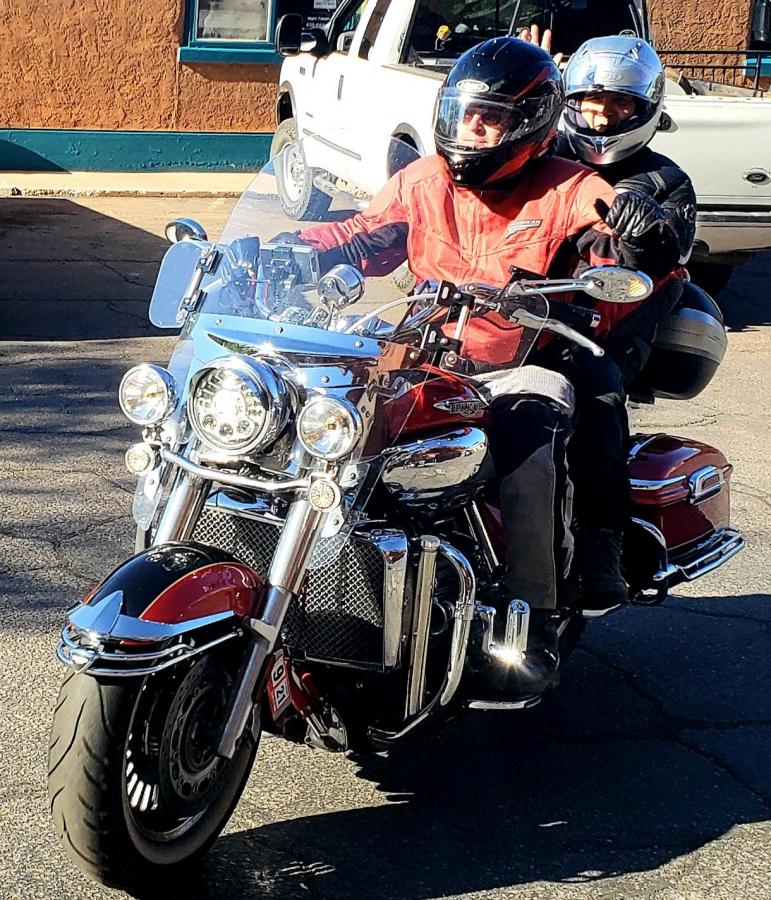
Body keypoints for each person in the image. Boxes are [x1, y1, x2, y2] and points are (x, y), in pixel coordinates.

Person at [278, 38, 680, 697]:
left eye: (489, 119)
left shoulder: (571, 188)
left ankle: (534, 612)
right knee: (323, 409)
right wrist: (284, 248)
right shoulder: (422, 181)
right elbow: (362, 235)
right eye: (464, 116)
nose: (472, 131)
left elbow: (614, 259)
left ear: (529, 123)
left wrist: (637, 243)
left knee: (528, 432)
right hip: (423, 351)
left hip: (520, 361)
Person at [520, 31, 696, 614]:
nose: (601, 117)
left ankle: (602, 540)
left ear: (644, 110)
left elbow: (666, 254)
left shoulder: (665, 178)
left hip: (617, 321)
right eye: (591, 104)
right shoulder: (544, 152)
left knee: (595, 393)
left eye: (618, 106)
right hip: (528, 308)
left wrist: (649, 226)